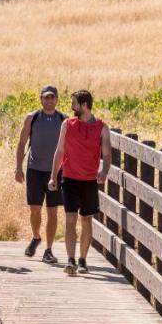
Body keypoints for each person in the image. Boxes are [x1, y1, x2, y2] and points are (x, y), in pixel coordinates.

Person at [47, 89, 111, 277]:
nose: (71, 106)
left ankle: (83, 259)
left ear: (84, 105)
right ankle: (71, 260)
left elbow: (106, 154)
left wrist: (104, 171)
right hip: (70, 178)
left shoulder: (102, 127)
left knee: (86, 220)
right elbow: (59, 151)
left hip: (90, 180)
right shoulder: (67, 124)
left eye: (74, 103)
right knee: (70, 219)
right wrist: (53, 176)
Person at [14, 84, 65, 263]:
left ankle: (49, 250)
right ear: (41, 99)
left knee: (53, 212)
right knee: (35, 210)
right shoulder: (32, 118)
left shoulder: (63, 119)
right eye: (46, 97)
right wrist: (18, 167)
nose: (49, 101)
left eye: (52, 97)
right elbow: (21, 143)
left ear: (57, 99)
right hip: (34, 170)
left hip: (56, 172)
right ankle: (36, 237)